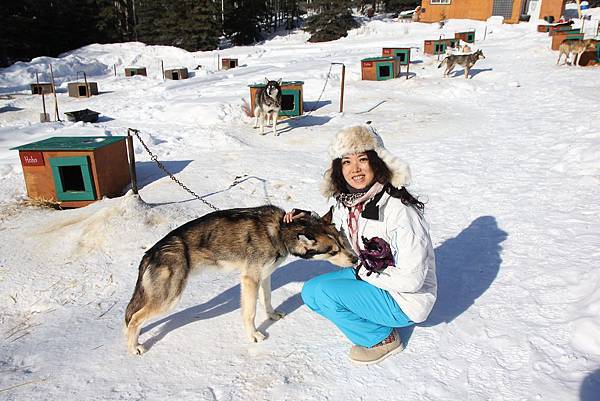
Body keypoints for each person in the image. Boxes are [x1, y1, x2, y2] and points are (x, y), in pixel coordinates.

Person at [284, 125, 437, 365]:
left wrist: (364, 272)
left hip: (405, 298)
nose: (355, 168)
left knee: (326, 294)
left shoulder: (399, 210)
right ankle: (372, 318)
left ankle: (381, 339)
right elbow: (336, 225)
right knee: (311, 292)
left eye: (362, 159)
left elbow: (412, 280)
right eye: (346, 161)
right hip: (376, 278)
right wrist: (308, 220)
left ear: (377, 162)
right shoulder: (351, 202)